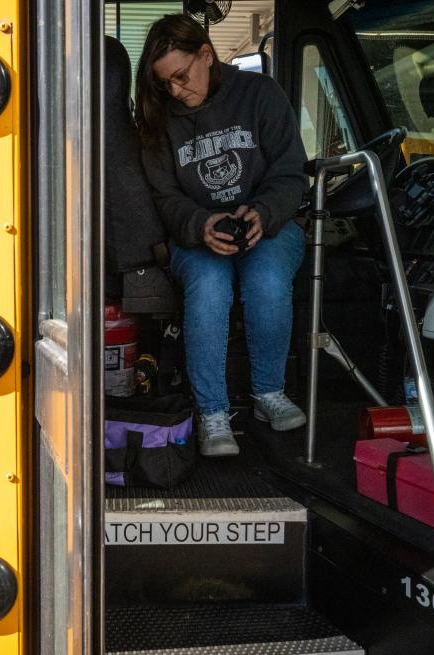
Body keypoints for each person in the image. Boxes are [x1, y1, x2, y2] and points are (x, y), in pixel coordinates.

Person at [135, 14, 308, 457]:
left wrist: (264, 211)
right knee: (210, 285)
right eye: (165, 83)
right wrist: (199, 225)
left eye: (181, 76)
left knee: (267, 278)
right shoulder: (160, 118)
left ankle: (269, 393)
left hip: (264, 226)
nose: (175, 90)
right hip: (196, 236)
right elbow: (164, 196)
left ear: (207, 55)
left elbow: (291, 173)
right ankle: (212, 413)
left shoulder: (259, 95)